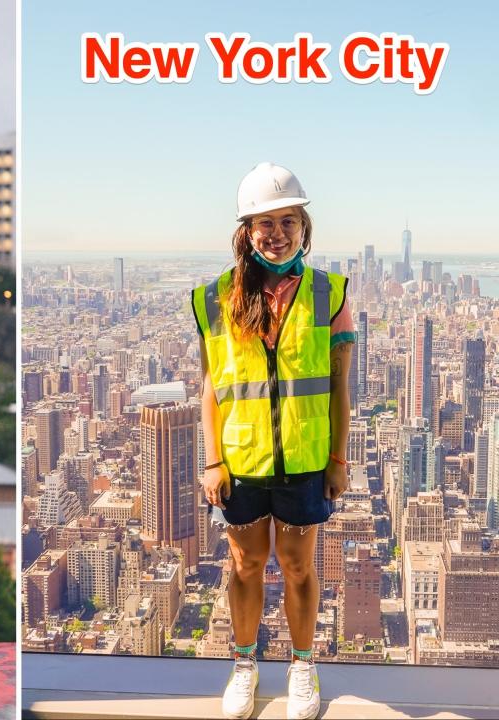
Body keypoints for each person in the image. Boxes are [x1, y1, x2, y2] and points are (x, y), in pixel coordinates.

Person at [190, 162, 355, 720]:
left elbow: (339, 385)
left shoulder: (329, 293)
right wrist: (213, 459)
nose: (277, 232)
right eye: (265, 222)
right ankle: (244, 665)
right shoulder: (214, 298)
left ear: (303, 225)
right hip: (241, 458)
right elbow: (211, 389)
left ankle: (303, 665)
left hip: (306, 458)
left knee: (299, 565)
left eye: (288, 220)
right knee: (244, 565)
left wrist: (337, 458)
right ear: (246, 231)